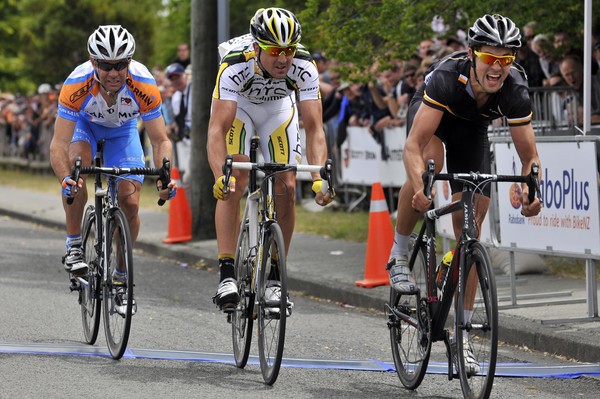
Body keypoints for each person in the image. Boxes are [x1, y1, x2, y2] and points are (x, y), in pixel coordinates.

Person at [386, 14, 542, 374]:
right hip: (434, 119)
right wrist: (422, 187)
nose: (498, 68)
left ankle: (462, 335)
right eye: (490, 58)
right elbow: (412, 145)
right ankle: (398, 250)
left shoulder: (515, 87)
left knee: (471, 226)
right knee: (428, 159)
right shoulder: (445, 76)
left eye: (506, 60)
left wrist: (531, 188)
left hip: (472, 132)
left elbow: (529, 156)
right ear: (472, 54)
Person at [207, 7, 333, 311]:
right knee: (235, 181)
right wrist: (218, 176)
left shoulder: (304, 65)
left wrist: (319, 177)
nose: (283, 58)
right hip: (240, 108)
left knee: (287, 187)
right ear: (257, 46)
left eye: (289, 50)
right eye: (274, 50)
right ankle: (226, 275)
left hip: (278, 108)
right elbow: (216, 130)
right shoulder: (235, 64)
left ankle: (276, 278)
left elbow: (315, 127)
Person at [49, 25, 176, 313]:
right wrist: (64, 177)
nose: (114, 72)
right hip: (86, 127)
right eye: (106, 65)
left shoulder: (143, 83)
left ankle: (120, 277)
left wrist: (164, 175)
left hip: (124, 132)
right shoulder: (76, 83)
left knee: (130, 202)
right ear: (93, 62)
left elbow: (160, 139)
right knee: (76, 172)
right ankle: (74, 246)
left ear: (129, 62)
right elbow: (58, 144)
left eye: (121, 64)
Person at [165, 62, 192, 194]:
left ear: (185, 76)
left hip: (198, 138)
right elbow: (179, 119)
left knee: (189, 177)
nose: (176, 81)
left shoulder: (195, 92)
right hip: (185, 140)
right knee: (185, 177)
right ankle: (193, 211)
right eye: (172, 79)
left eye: (178, 77)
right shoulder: (175, 98)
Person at [558, 54, 600, 125]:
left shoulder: (597, 83)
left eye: (573, 72)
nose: (571, 77)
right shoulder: (568, 92)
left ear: (581, 68)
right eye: (567, 75)